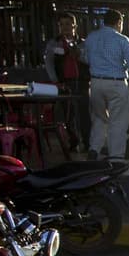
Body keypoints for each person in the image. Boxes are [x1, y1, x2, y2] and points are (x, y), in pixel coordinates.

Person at [81, 8, 129, 160]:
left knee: (98, 117)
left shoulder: (91, 37)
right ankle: (116, 156)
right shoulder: (123, 40)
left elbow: (85, 59)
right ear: (119, 22)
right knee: (118, 121)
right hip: (116, 83)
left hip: (95, 82)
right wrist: (122, 65)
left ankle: (94, 148)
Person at [43, 11, 89, 152]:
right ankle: (73, 141)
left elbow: (88, 60)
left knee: (84, 113)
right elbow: (49, 63)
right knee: (68, 114)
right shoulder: (53, 43)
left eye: (68, 24)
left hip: (81, 82)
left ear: (74, 26)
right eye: (62, 24)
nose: (65, 27)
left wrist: (78, 54)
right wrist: (55, 81)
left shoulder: (82, 43)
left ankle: (87, 142)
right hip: (64, 82)